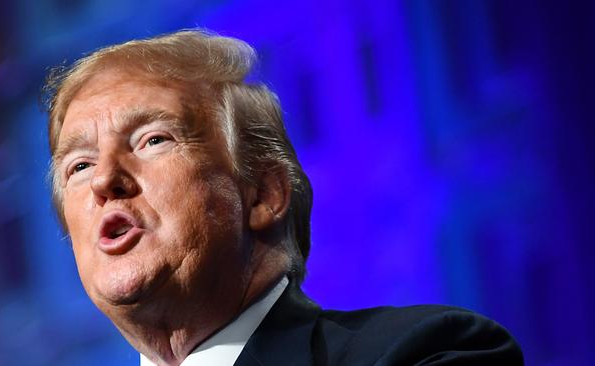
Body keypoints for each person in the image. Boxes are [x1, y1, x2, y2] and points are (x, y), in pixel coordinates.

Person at [43, 29, 523, 365]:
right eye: (78, 166)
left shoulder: (425, 352)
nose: (105, 180)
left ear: (263, 194)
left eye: (153, 140)